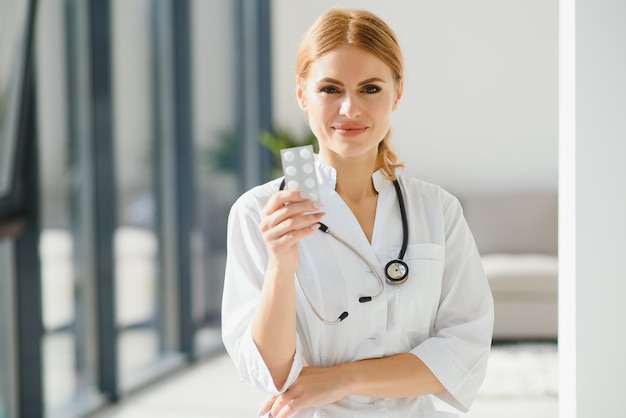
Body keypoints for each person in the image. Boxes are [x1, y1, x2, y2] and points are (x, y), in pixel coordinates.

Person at [221, 7, 493, 418]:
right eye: (330, 89)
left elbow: (463, 348)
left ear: (397, 93)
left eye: (370, 89)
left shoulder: (436, 210)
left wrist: (344, 378)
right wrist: (281, 265)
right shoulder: (257, 212)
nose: (350, 110)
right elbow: (273, 373)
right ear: (302, 94)